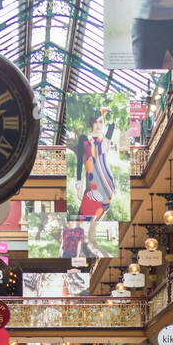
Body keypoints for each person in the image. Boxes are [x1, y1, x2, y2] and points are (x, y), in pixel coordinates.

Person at [75, 110, 116, 258]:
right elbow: (80, 161)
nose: (98, 125)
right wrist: (78, 182)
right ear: (91, 122)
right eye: (96, 121)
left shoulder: (105, 139)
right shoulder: (84, 138)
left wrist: (110, 112)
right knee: (83, 215)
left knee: (100, 212)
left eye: (101, 122)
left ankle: (89, 245)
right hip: (92, 181)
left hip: (106, 179)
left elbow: (112, 126)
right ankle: (78, 251)